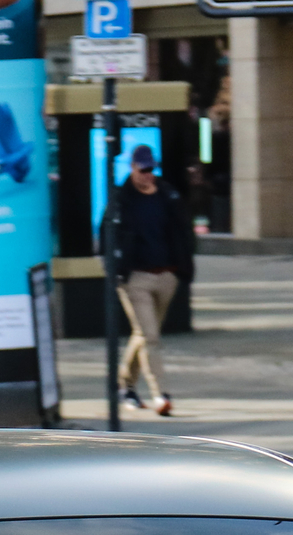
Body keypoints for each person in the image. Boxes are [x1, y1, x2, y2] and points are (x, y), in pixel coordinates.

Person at [107, 144, 193, 417]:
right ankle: (161, 394)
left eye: (150, 170)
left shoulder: (168, 195)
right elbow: (107, 235)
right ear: (132, 168)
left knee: (143, 336)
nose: (147, 175)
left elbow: (182, 231)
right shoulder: (121, 200)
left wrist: (182, 268)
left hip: (166, 275)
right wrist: (116, 270)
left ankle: (125, 385)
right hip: (136, 278)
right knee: (150, 336)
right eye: (142, 170)